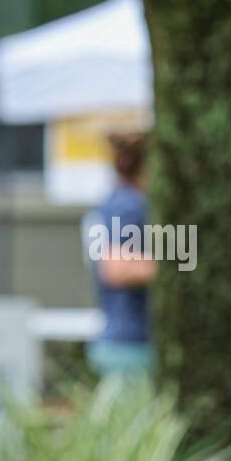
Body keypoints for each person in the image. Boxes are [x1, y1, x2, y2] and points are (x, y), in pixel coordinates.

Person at [85, 132, 154, 376]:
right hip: (130, 344)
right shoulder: (128, 204)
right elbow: (116, 267)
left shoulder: (115, 201)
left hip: (121, 342)